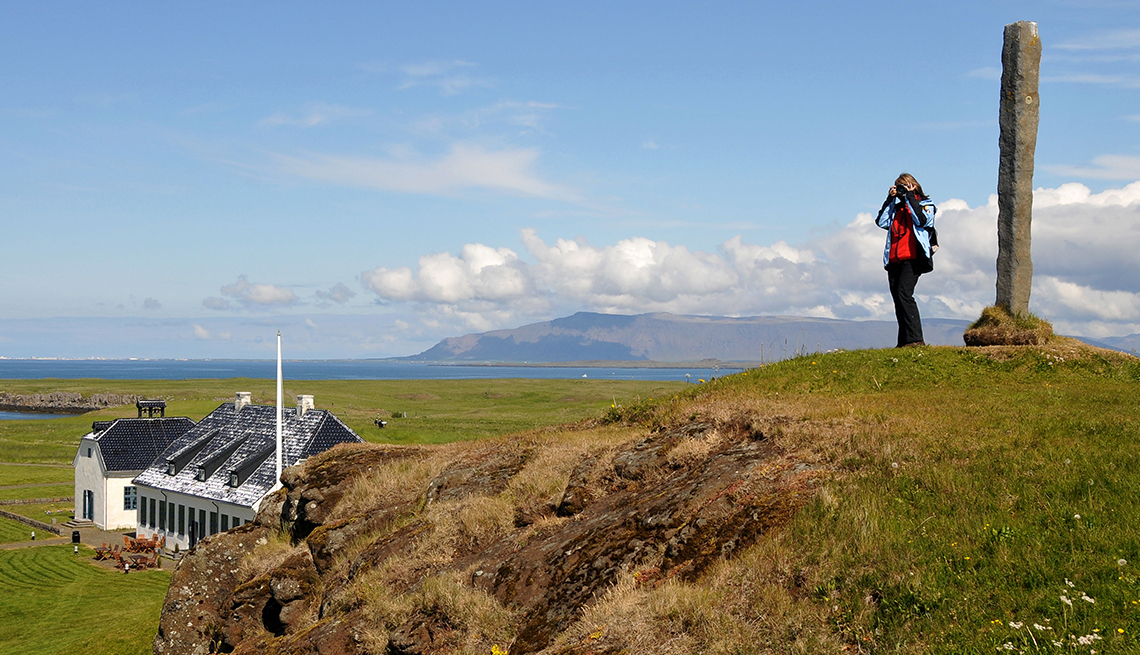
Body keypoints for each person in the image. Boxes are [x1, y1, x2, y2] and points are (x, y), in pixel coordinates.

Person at [876, 173, 937, 347]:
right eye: (900, 186)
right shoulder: (896, 208)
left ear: (915, 185)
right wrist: (890, 199)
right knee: (898, 299)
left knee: (904, 294)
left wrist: (911, 197)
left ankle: (915, 339)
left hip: (914, 258)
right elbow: (881, 222)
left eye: (906, 185)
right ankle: (904, 341)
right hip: (895, 259)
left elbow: (923, 220)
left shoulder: (926, 205)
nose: (903, 189)